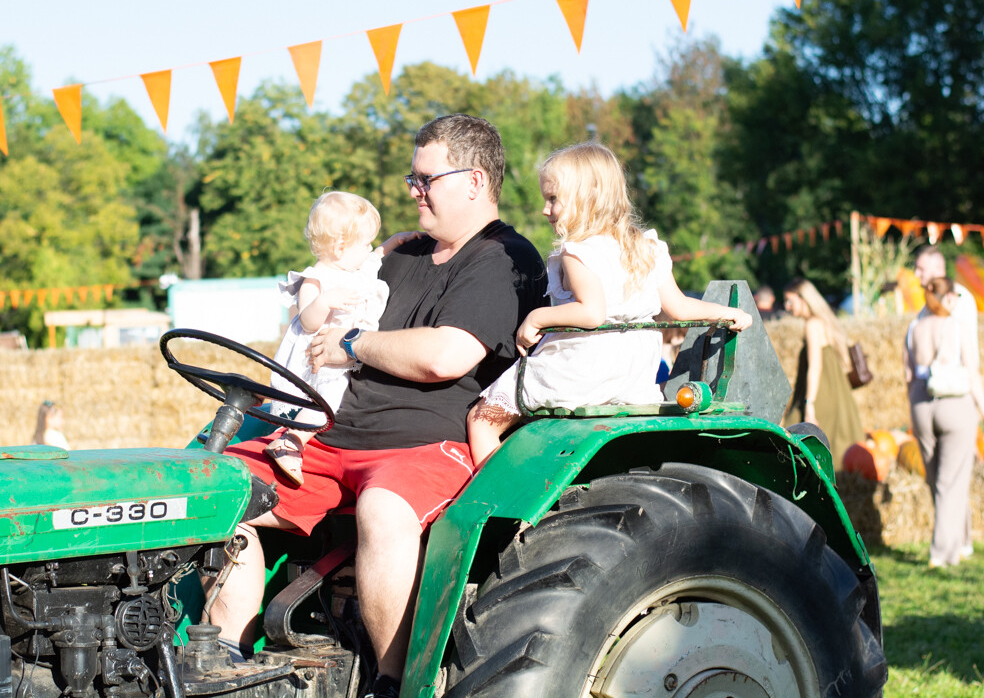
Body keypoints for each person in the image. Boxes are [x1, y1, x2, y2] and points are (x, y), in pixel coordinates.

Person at [209, 114, 546, 698]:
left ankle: (395, 685)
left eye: (424, 180)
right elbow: (335, 293)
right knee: (215, 488)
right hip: (335, 437)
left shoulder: (502, 259)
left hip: (424, 444)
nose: (411, 191)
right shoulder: (404, 254)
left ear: (474, 181)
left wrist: (352, 345)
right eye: (411, 179)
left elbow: (446, 354)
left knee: (385, 509)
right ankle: (223, 668)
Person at [466, 142, 752, 465]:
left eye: (553, 199)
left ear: (586, 198)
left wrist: (536, 318)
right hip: (633, 374)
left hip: (579, 370)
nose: (545, 210)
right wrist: (727, 313)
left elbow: (592, 312)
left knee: (481, 420)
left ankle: (501, 500)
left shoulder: (578, 251)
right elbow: (680, 309)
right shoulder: (646, 248)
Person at [265, 191, 415, 486]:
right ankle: (290, 443)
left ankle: (293, 438)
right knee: (324, 405)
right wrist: (325, 302)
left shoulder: (354, 270)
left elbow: (373, 259)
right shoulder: (317, 279)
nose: (370, 248)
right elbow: (307, 320)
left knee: (332, 404)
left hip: (340, 358)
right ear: (340, 246)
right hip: (316, 359)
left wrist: (395, 241)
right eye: (365, 242)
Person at [903, 277, 982, 567]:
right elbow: (973, 373)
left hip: (922, 404)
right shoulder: (957, 326)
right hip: (955, 403)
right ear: (947, 298)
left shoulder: (914, 327)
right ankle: (942, 553)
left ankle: (960, 541)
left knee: (937, 478)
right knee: (952, 480)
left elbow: (908, 375)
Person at [781, 278, 863, 467]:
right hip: (836, 395)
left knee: (798, 444)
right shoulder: (826, 322)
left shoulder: (813, 325)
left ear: (804, 299)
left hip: (821, 396)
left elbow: (815, 367)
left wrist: (810, 404)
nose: (787, 306)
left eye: (790, 301)